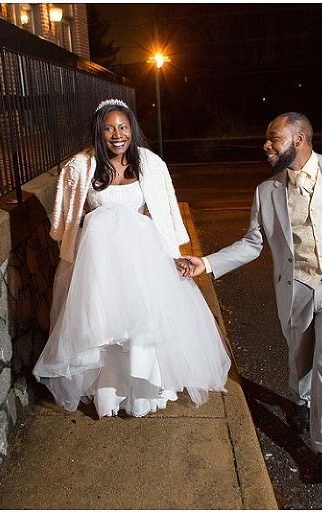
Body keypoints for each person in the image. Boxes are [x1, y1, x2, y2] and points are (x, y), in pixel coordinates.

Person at [181, 112, 322, 481]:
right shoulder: (266, 192)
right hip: (297, 286)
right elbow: (254, 243)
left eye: (274, 138)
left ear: (299, 139)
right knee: (300, 356)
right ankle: (300, 400)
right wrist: (206, 263)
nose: (266, 145)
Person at [33, 99, 231, 418]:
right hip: (101, 263)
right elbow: (68, 219)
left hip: (142, 258)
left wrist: (174, 256)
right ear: (99, 132)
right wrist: (82, 245)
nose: (117, 134)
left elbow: (164, 214)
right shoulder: (80, 166)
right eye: (109, 128)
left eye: (123, 127)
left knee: (144, 323)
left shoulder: (151, 165)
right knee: (102, 323)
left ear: (132, 130)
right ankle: (109, 392)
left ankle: (141, 392)